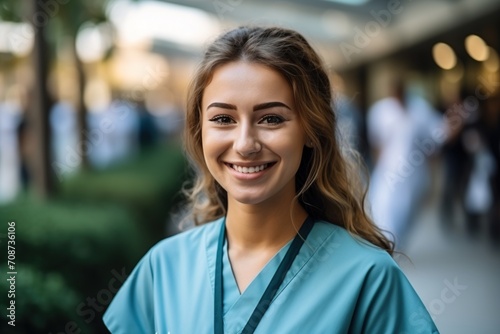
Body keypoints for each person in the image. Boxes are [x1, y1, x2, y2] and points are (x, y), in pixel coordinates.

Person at [103, 26, 438, 333]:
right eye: (223, 118)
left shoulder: (368, 278)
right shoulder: (162, 269)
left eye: (271, 118)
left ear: (310, 130)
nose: (245, 144)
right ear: (199, 130)